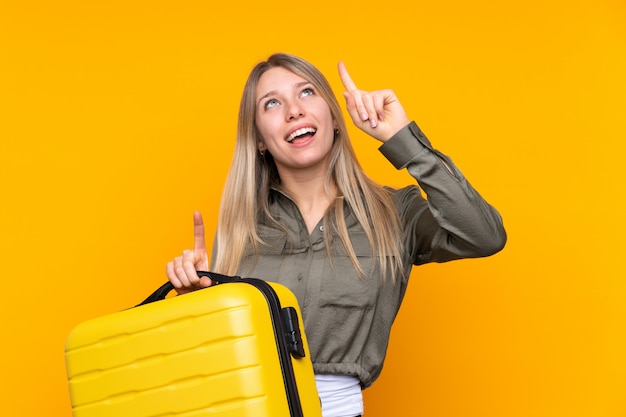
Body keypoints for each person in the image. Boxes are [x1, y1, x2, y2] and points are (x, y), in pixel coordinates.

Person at [166, 53, 506, 417]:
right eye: (272, 103)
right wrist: (196, 304)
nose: (293, 111)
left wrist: (403, 140)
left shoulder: (394, 212)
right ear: (260, 139)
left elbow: (484, 235)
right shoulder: (239, 230)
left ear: (334, 117)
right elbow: (213, 359)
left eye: (307, 92)